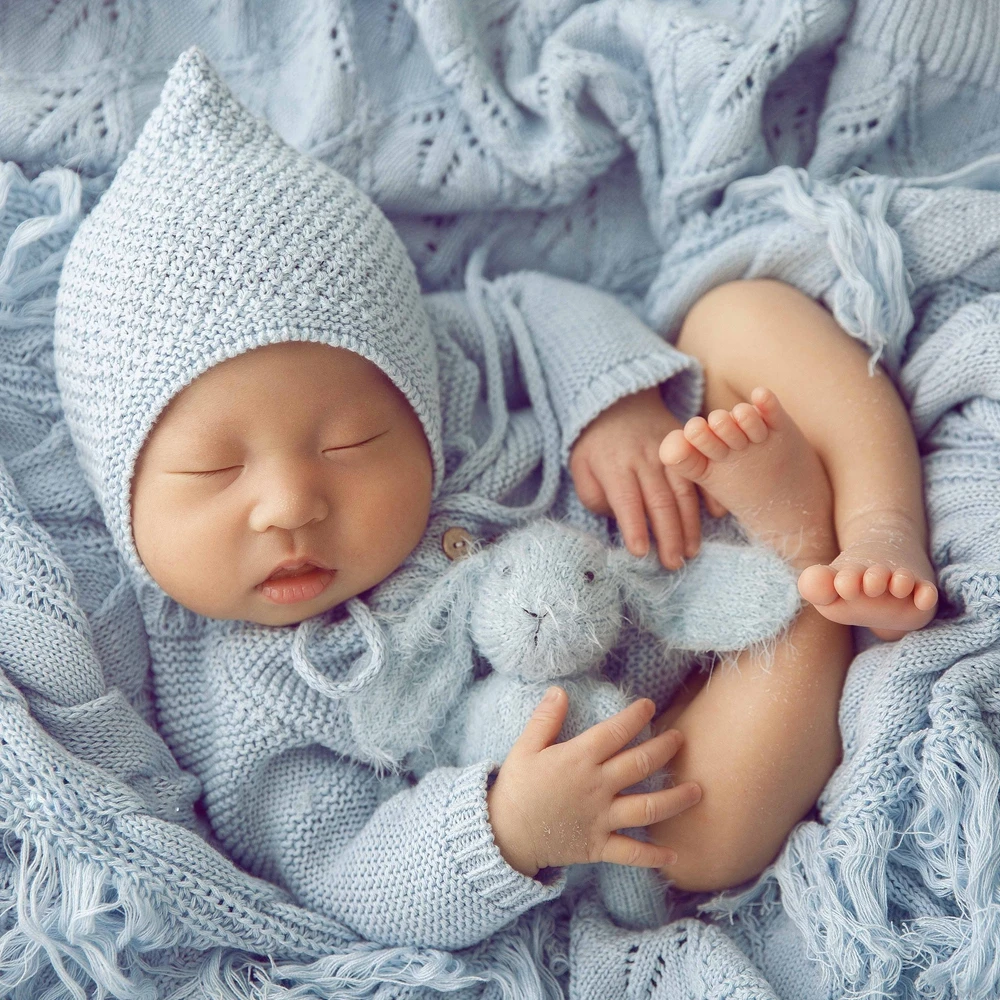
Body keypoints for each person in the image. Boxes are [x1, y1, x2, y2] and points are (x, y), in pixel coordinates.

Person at [53, 46, 934, 948]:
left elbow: (530, 303)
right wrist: (504, 829)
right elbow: (345, 872)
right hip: (662, 721)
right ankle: (802, 560)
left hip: (684, 487)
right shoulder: (251, 696)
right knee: (684, 832)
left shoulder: (449, 357)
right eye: (211, 472)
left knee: (738, 314)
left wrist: (611, 398)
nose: (290, 504)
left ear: (417, 389)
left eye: (351, 443)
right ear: (122, 498)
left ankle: (876, 525)